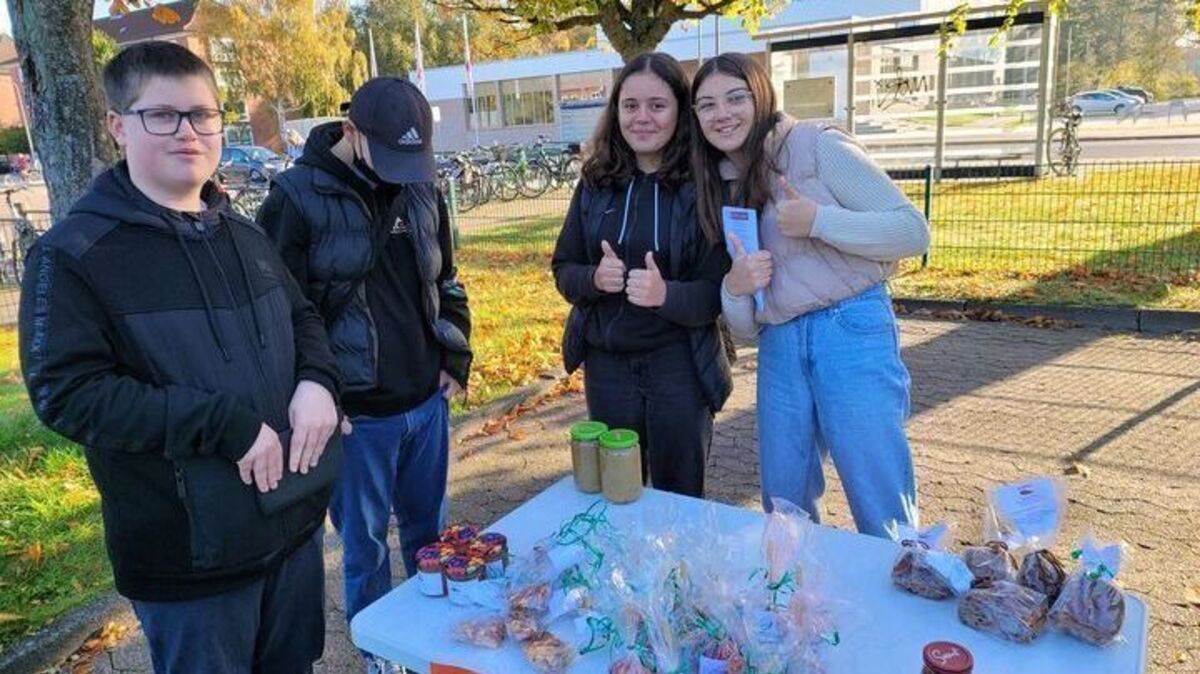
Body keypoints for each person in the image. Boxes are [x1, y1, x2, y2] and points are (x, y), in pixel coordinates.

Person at [18, 41, 342, 673]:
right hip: (191, 561)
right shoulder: (75, 253)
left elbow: (303, 318)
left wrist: (319, 381)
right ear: (118, 125)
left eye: (204, 115)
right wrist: (223, 424)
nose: (188, 132)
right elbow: (68, 394)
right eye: (161, 116)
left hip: (292, 531)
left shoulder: (243, 232)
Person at [257, 77, 472, 643]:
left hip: (427, 404)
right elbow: (278, 317)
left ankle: (435, 639)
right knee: (365, 546)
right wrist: (315, 392)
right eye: (393, 156)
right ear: (351, 132)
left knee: (431, 534)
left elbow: (445, 280)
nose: (404, 170)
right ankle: (379, 648)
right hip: (356, 420)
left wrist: (455, 356)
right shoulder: (295, 199)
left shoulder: (424, 186)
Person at [692, 53, 929, 536]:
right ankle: (796, 599)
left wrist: (820, 221)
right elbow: (745, 326)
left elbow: (912, 231)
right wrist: (734, 289)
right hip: (779, 342)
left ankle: (905, 588)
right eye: (707, 104)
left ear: (761, 95)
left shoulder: (815, 146)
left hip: (850, 329)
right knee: (784, 499)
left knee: (877, 491)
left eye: (736, 97)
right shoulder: (722, 184)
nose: (723, 114)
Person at [551, 52, 732, 498]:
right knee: (616, 494)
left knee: (679, 498)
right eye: (630, 106)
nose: (642, 118)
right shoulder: (596, 182)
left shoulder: (705, 185)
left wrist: (665, 294)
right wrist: (593, 279)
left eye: (657, 105)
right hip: (607, 367)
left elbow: (717, 292)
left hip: (678, 367)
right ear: (616, 112)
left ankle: (676, 571)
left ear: (679, 112)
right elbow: (563, 268)